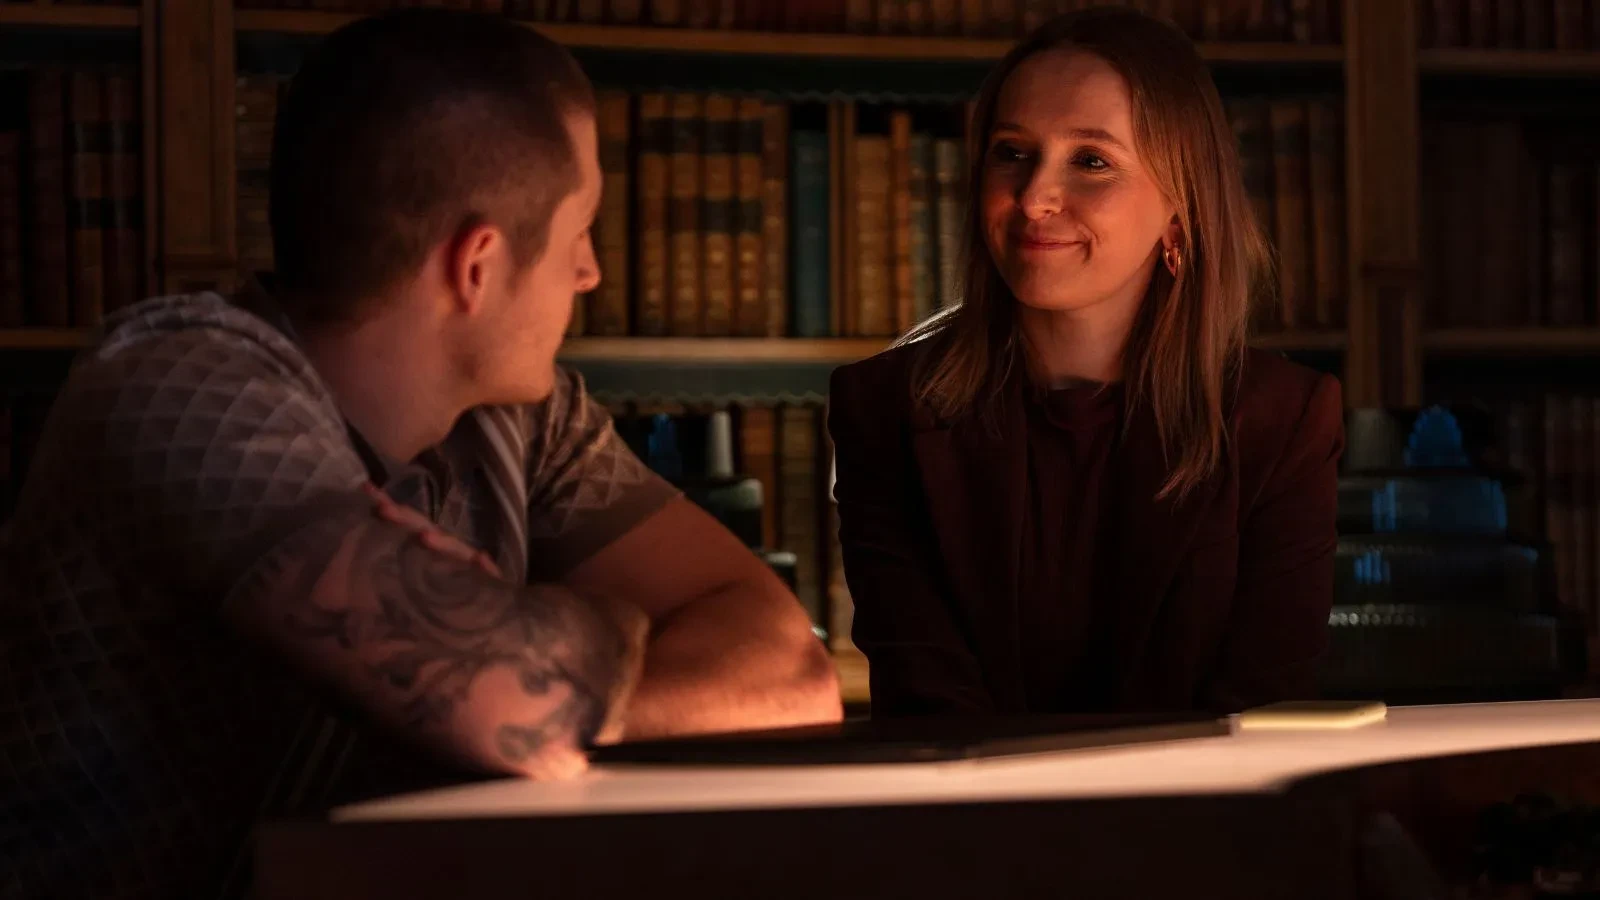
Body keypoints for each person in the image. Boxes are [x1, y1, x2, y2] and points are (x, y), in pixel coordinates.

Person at [0, 10, 839, 898]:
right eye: (580, 228)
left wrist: (543, 676)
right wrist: (613, 626)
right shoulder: (179, 390)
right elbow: (517, 702)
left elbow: (790, 671)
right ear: (475, 265)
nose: (590, 272)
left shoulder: (519, 418)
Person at [828, 7, 1343, 720]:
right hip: (969, 824)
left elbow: (1262, 712)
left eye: (1091, 161)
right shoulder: (883, 408)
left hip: (1203, 823)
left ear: (1180, 214)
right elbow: (930, 710)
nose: (1034, 197)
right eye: (1013, 152)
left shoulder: (1284, 421)